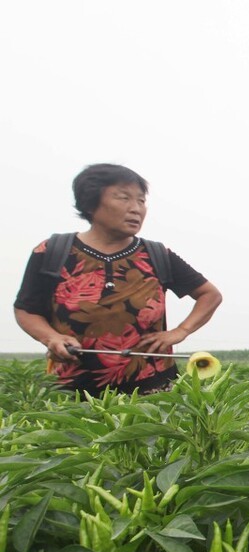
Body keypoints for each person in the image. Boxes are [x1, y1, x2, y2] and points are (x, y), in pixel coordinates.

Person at [13, 163, 222, 395]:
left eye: (141, 201)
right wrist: (51, 337)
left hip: (153, 392)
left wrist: (181, 330)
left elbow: (209, 295)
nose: (136, 209)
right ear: (91, 203)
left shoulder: (156, 254)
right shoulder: (52, 251)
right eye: (123, 198)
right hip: (71, 393)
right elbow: (26, 309)